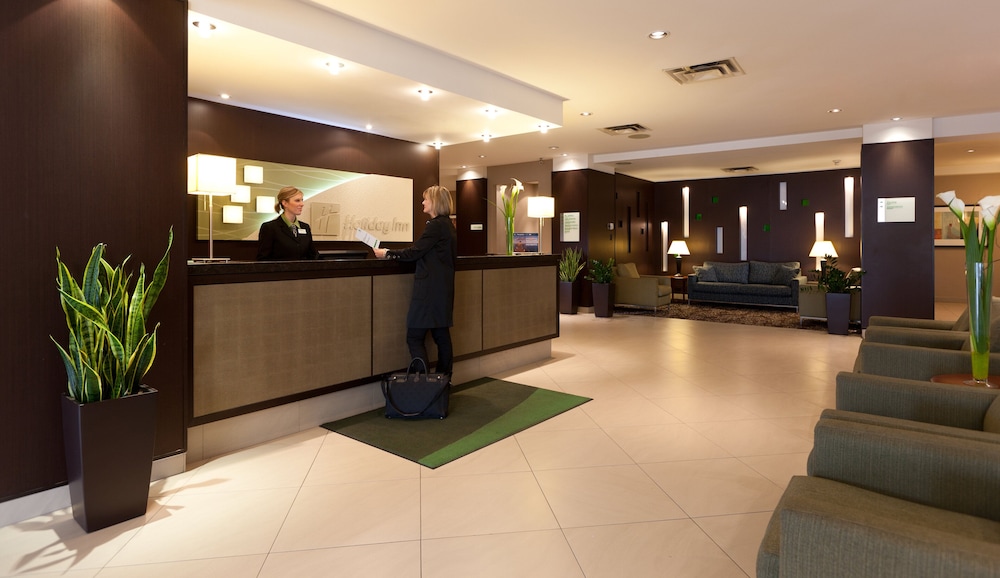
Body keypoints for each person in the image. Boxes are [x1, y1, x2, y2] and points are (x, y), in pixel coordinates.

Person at [374, 185, 457, 379]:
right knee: (441, 336)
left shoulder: (435, 226)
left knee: (414, 336)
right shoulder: (448, 225)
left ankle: (424, 383)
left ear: (435, 202)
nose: (423, 202)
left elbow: (415, 252)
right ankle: (443, 382)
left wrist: (387, 253)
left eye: (426, 199)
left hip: (428, 292)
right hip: (443, 290)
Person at [256, 186, 319, 260]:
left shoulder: (305, 227)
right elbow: (263, 259)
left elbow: (312, 255)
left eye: (302, 200)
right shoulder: (270, 228)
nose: (302, 204)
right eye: (297, 200)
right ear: (285, 203)